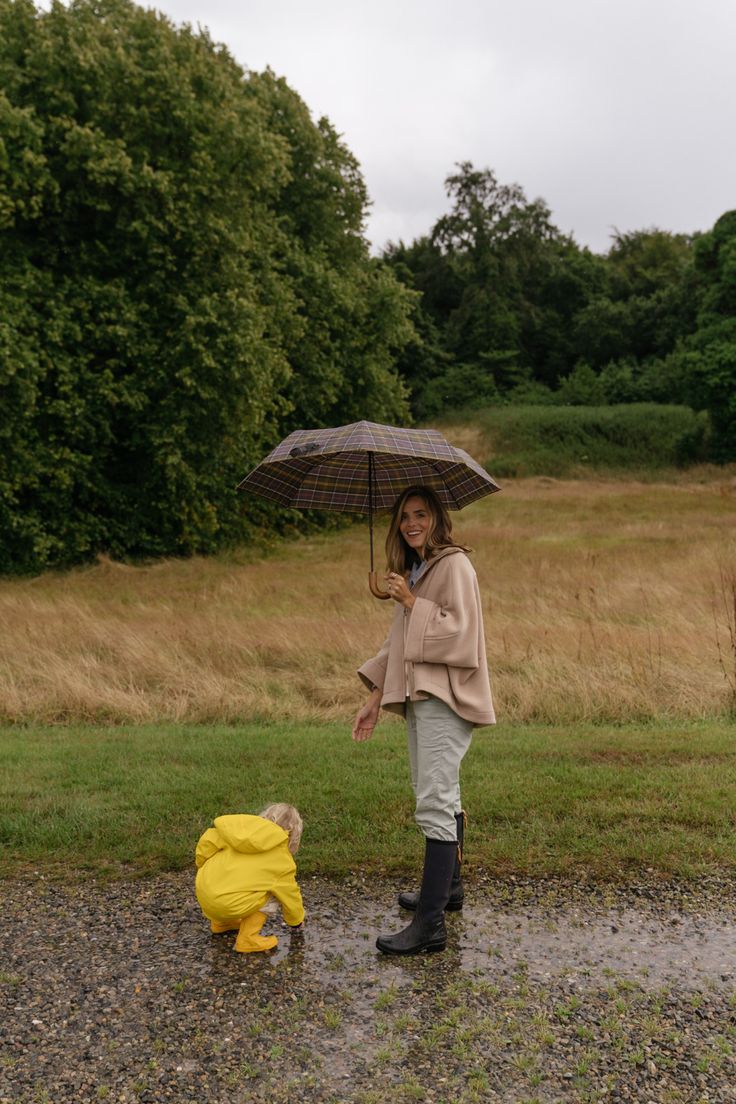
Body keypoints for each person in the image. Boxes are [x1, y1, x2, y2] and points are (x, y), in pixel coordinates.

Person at [352, 485, 494, 955]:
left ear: (436, 518)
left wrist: (413, 602)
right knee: (438, 791)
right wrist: (375, 696)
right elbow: (399, 643)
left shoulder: (455, 565)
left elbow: (463, 634)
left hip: (445, 698)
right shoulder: (419, 568)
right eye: (404, 516)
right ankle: (447, 892)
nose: (411, 523)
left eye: (420, 514)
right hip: (419, 697)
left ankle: (429, 927)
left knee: (433, 799)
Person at [195, 803, 305, 953]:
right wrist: (296, 922)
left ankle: (221, 924)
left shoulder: (236, 832)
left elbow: (207, 842)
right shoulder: (282, 860)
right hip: (227, 904)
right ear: (293, 835)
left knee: (227, 879)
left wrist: (202, 863)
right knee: (273, 893)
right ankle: (248, 938)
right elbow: (291, 895)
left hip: (204, 893)